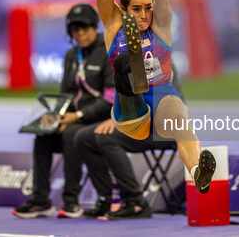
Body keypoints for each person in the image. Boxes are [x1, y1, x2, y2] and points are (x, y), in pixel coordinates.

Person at [91, 0, 216, 206]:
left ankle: (198, 170)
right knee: (126, 67)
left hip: (161, 96)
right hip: (130, 111)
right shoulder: (113, 25)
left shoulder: (161, 26)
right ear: (124, 9)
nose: (145, 15)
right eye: (137, 9)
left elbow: (161, 6)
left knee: (179, 115)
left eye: (148, 8)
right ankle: (129, 74)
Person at [12, 3, 115, 219]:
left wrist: (76, 117)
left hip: (99, 120)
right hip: (72, 119)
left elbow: (111, 100)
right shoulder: (70, 55)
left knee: (70, 134)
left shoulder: (107, 51)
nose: (80, 33)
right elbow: (65, 94)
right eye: (75, 29)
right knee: (43, 136)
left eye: (84, 28)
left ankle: (71, 202)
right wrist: (52, 117)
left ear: (95, 27)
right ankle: (40, 201)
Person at [74, 64, 186, 220]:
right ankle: (108, 200)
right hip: (143, 123)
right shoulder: (130, 59)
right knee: (84, 137)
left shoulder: (155, 60)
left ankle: (135, 202)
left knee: (107, 137)